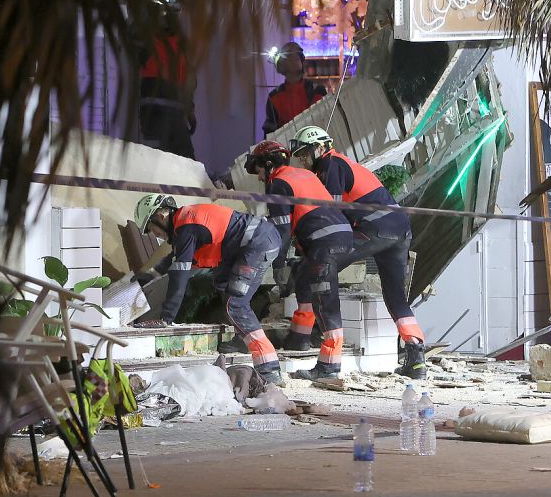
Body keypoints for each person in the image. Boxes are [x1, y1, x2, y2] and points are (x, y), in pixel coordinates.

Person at [290, 125, 426, 379]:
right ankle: (416, 359)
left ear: (320, 148)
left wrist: (307, 245)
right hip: (398, 230)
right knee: (394, 295)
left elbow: (331, 215)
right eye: (299, 157)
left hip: (376, 227)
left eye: (305, 154)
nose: (303, 161)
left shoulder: (330, 166)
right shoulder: (339, 165)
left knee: (320, 269)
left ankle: (324, 359)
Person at [131, 194, 285, 385]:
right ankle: (242, 338)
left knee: (235, 304)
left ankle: (269, 368)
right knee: (222, 283)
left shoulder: (187, 226)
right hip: (251, 243)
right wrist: (149, 275)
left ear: (161, 216)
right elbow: (173, 259)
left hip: (256, 244)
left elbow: (179, 276)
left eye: (151, 229)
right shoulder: (186, 222)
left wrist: (166, 318)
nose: (156, 236)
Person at [245, 141, 353, 380]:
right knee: (305, 282)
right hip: (341, 235)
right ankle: (299, 338)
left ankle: (328, 367)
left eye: (259, 170)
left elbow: (281, 232)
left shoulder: (277, 184)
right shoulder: (303, 174)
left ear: (269, 164)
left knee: (325, 299)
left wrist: (278, 265)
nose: (260, 177)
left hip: (323, 241)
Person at [137, 0, 197, 159]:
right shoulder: (148, 41)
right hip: (156, 113)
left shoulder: (179, 46)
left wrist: (189, 111)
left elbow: (188, 80)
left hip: (172, 115)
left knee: (186, 164)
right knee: (157, 162)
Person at [260, 42, 327, 137]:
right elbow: (269, 132)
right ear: (281, 65)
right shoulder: (274, 97)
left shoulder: (318, 91)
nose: (296, 60)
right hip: (287, 147)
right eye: (291, 58)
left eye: (297, 57)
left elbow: (328, 120)